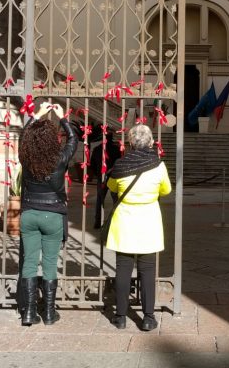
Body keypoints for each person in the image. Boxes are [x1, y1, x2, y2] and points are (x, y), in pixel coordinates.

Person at [17, 101, 78, 326]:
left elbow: (24, 137)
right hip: (53, 215)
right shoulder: (60, 160)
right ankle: (50, 313)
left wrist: (37, 115)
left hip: (30, 213)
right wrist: (62, 118)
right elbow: (73, 140)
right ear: (53, 140)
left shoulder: (25, 157)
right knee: (51, 263)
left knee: (29, 262)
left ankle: (29, 313)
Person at [105, 124, 171, 331]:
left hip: (124, 221)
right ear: (151, 142)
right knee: (148, 271)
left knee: (123, 270)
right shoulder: (158, 165)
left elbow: (111, 188)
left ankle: (121, 316)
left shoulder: (120, 165)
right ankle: (149, 317)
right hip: (148, 221)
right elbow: (166, 190)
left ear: (130, 143)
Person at [90, 131, 122, 229]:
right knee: (116, 200)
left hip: (102, 177)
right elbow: (120, 162)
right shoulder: (116, 149)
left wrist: (98, 174)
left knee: (100, 200)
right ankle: (116, 221)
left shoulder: (97, 149)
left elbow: (92, 164)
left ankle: (98, 221)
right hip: (114, 176)